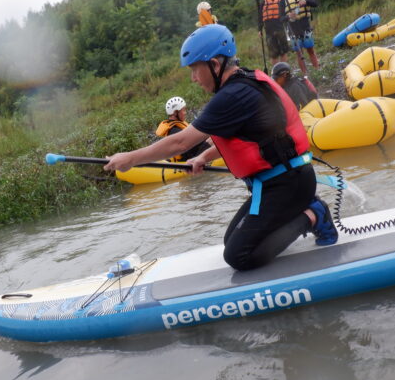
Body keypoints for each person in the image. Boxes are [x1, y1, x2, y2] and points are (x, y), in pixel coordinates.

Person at [104, 24, 338, 271]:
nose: (193, 78)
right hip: (282, 183)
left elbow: (181, 141)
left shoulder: (232, 95)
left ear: (215, 65)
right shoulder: (245, 82)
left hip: (287, 185)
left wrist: (130, 158)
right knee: (231, 241)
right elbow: (249, 137)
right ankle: (301, 210)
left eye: (195, 70)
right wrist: (203, 157)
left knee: (239, 256)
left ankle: (313, 214)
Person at [281, 0, 319, 74]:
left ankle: (317, 70)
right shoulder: (282, 0)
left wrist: (306, 1)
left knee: (310, 50)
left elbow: (315, 3)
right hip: (293, 29)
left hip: (305, 26)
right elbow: (280, 18)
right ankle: (305, 74)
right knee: (299, 53)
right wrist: (288, 16)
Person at [155, 96, 211, 161]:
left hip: (194, 152)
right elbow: (190, 148)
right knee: (214, 138)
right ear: (175, 113)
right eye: (183, 110)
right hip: (191, 158)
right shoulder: (174, 131)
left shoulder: (176, 126)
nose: (185, 113)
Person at [258, 0, 289, 65]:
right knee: (273, 54)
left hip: (280, 28)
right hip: (269, 30)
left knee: (283, 51)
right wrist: (259, 29)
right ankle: (277, 72)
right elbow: (260, 16)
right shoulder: (264, 1)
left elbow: (284, 13)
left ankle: (284, 69)